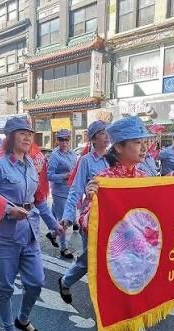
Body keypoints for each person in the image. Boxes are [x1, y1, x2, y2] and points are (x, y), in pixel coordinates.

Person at [80, 116, 151, 331]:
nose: (143, 148)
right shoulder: (104, 181)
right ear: (119, 147)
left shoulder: (146, 179)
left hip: (143, 270)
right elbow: (85, 222)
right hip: (117, 274)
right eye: (137, 142)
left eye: (144, 142)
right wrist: (91, 200)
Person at [0, 117, 63, 331]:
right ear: (10, 138)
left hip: (29, 233)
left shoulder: (31, 165)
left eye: (30, 133)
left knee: (36, 282)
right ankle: (9, 330)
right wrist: (8, 210)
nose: (28, 137)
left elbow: (39, 200)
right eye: (22, 133)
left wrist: (54, 224)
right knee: (5, 288)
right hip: (5, 237)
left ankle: (23, 319)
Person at [58, 120, 109, 304]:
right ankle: (66, 280)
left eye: (107, 131)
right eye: (103, 132)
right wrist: (67, 215)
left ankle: (104, 300)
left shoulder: (114, 159)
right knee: (90, 259)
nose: (107, 135)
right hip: (91, 217)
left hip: (112, 216)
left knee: (109, 257)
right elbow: (76, 190)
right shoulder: (86, 161)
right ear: (94, 139)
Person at [46, 129, 76, 259]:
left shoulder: (73, 154)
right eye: (62, 140)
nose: (64, 142)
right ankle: (64, 248)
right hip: (59, 192)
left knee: (72, 220)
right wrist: (65, 176)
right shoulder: (54, 155)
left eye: (67, 139)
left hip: (72, 191)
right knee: (65, 220)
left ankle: (53, 234)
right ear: (57, 141)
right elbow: (49, 175)